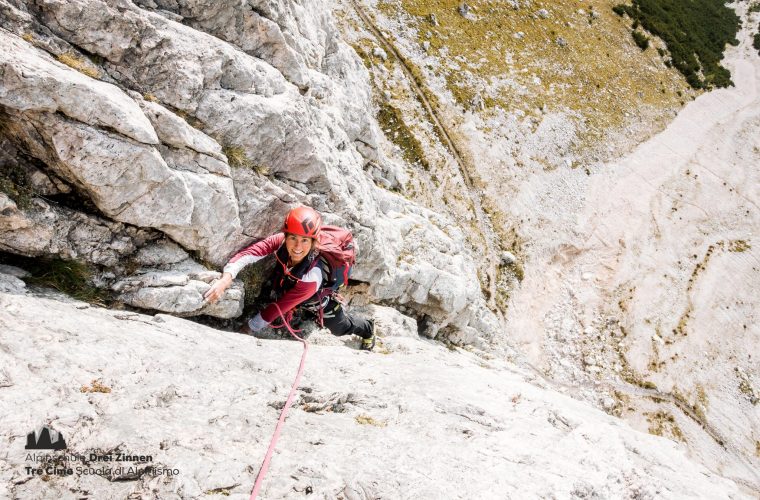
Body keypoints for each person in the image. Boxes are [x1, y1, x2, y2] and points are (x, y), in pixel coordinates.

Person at [203, 206, 376, 350]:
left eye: (305, 240)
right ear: (285, 236)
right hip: (295, 281)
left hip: (316, 296)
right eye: (293, 238)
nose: (297, 247)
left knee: (339, 328)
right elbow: (251, 253)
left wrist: (249, 327)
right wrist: (226, 279)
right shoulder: (281, 241)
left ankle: (368, 328)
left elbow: (280, 307)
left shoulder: (312, 277)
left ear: (314, 243)